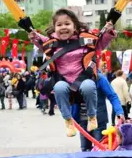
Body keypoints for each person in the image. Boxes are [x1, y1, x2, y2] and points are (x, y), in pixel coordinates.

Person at [29, 8, 116, 137]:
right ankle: (68, 120)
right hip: (64, 83)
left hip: (83, 81)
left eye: (67, 24)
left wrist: (108, 31)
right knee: (58, 87)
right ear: (54, 27)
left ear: (74, 25)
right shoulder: (52, 43)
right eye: (59, 25)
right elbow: (41, 41)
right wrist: (33, 36)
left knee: (88, 86)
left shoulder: (86, 40)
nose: (63, 27)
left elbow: (101, 42)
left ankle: (92, 116)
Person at [72, 72, 124, 152]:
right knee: (85, 149)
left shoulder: (100, 78)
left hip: (98, 121)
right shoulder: (76, 77)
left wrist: (119, 111)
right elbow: (72, 99)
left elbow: (112, 96)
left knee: (100, 149)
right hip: (83, 120)